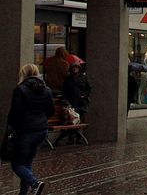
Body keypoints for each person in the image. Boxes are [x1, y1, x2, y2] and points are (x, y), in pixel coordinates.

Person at [7, 64, 54, 195]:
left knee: (17, 164)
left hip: (26, 131)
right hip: (41, 130)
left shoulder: (20, 89)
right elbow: (51, 110)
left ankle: (35, 183)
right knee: (26, 163)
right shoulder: (46, 89)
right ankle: (23, 193)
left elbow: (14, 113)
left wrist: (12, 130)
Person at [62, 63, 91, 143]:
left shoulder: (84, 78)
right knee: (71, 119)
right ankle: (71, 138)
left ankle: (79, 137)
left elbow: (89, 88)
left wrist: (84, 95)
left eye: (76, 67)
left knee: (80, 119)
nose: (74, 69)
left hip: (81, 102)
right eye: (73, 68)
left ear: (79, 69)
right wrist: (65, 100)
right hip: (71, 102)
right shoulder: (68, 79)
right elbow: (64, 91)